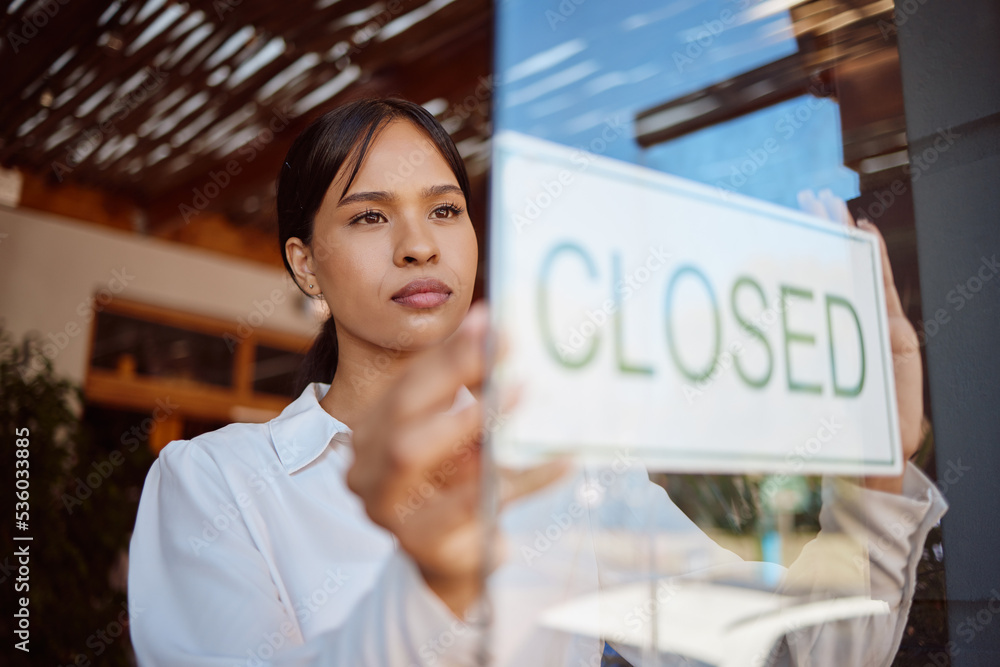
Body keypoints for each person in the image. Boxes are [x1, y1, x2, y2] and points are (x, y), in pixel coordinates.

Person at [127, 98, 947, 666]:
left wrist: (875, 472)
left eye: (445, 211)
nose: (419, 244)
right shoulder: (215, 484)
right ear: (304, 263)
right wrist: (431, 585)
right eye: (370, 215)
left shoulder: (574, 474)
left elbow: (784, 655)